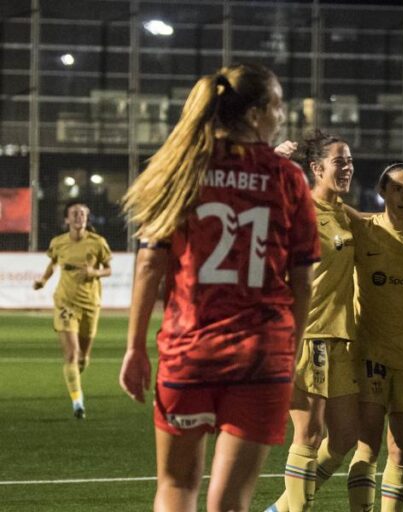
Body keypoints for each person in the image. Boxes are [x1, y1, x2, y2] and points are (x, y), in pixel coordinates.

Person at [118, 63, 319, 512]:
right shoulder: (286, 177)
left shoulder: (182, 166)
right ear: (255, 113)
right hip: (261, 356)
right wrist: (293, 349)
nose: (282, 116)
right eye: (278, 106)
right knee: (231, 502)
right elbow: (304, 278)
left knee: (176, 487)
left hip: (189, 351)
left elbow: (150, 261)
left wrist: (134, 348)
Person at [265, 131, 360, 512]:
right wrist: (271, 162)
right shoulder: (298, 206)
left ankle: (281, 509)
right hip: (308, 335)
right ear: (317, 169)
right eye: (340, 162)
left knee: (345, 438)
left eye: (350, 161)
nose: (348, 168)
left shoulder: (342, 213)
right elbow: (262, 202)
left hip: (341, 337)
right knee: (308, 433)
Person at [344, 162, 403, 512]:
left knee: (401, 449)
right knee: (366, 446)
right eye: (397, 188)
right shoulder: (365, 228)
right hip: (371, 354)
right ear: (382, 191)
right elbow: (322, 204)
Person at [33, 201, 112, 419]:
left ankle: (75, 381)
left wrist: (93, 272)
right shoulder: (58, 243)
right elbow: (53, 264)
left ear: (87, 218)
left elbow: (108, 270)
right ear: (67, 219)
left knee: (83, 358)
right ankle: (78, 402)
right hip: (65, 302)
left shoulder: (98, 243)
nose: (79, 217)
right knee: (71, 353)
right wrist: (43, 280)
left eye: (83, 214)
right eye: (74, 214)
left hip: (90, 303)